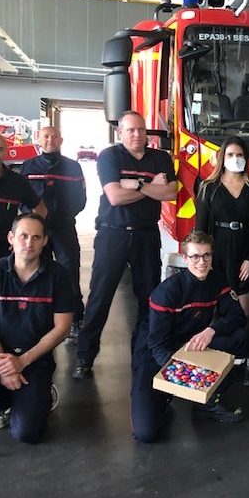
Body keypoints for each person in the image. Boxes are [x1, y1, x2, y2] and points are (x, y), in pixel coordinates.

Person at [73, 111, 177, 380]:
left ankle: (143, 351)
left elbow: (170, 193)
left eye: (141, 130)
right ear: (120, 132)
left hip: (146, 235)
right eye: (130, 130)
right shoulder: (110, 156)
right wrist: (149, 185)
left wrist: (134, 184)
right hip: (113, 234)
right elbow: (115, 196)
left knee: (148, 297)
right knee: (100, 296)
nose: (136, 134)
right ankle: (85, 356)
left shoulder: (161, 158)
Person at [131, 230, 249, 443]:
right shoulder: (166, 292)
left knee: (241, 337)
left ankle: (208, 403)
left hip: (191, 346)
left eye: (207, 255)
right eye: (195, 256)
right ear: (185, 258)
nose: (202, 262)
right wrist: (181, 378)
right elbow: (157, 344)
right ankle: (164, 395)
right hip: (155, 355)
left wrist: (212, 329)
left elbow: (238, 317)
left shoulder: (218, 281)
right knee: (145, 433)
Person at [195, 136, 249, 386]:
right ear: (221, 158)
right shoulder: (208, 187)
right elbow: (200, 230)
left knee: (248, 315)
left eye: (239, 155)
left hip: (244, 258)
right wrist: (206, 262)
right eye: (230, 154)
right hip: (218, 257)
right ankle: (218, 363)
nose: (235, 159)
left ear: (246, 159)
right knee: (216, 314)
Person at [0, 214, 73, 443]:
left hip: (35, 359)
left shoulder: (58, 275)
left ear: (45, 241)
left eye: (36, 237)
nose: (29, 243)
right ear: (11, 238)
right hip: (0, 356)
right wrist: (5, 363)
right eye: (23, 236)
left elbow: (62, 328)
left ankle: (38, 395)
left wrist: (22, 362)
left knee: (27, 433)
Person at [21, 126, 87, 343]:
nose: (50, 140)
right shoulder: (29, 167)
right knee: (38, 272)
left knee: (69, 271)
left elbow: (80, 199)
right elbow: (22, 198)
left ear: (61, 140)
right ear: (39, 140)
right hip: (37, 232)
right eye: (46, 136)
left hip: (64, 228)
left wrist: (62, 215)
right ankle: (43, 317)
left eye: (54, 136)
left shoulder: (72, 167)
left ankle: (76, 318)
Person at [0, 134, 47, 257]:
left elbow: (40, 209)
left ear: (5, 152)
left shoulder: (17, 181)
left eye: (0, 149)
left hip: (6, 250)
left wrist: (26, 236)